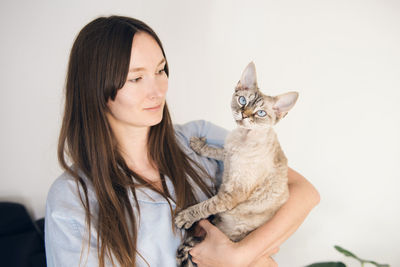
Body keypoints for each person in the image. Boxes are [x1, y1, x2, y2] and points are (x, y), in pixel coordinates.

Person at [45, 15, 320, 267]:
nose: (157, 90)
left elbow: (303, 191)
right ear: (96, 88)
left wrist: (239, 256)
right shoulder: (72, 199)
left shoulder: (197, 139)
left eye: (161, 70)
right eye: (137, 78)